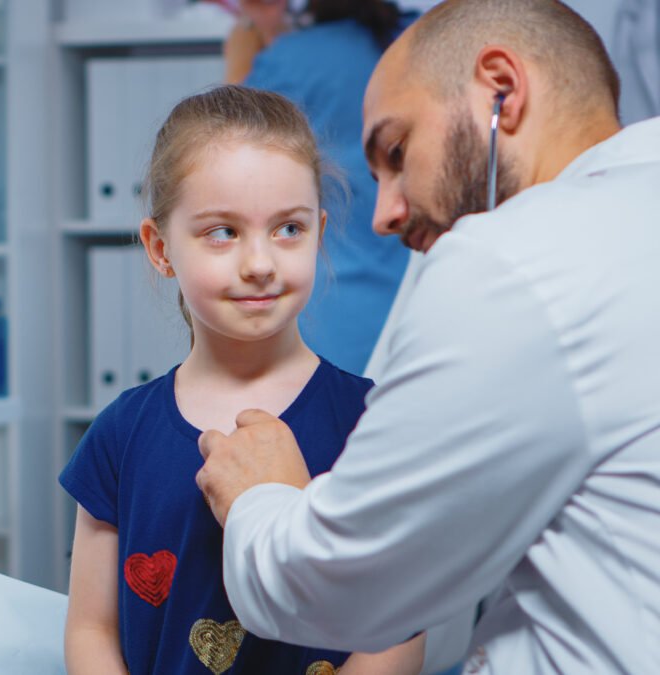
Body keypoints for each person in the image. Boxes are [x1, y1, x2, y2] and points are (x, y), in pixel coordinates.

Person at [195, 1, 660, 672]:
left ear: (502, 87)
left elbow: (339, 587)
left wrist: (261, 496)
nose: (384, 214)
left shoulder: (513, 257)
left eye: (397, 151)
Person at [60, 85, 423, 675]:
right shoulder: (120, 435)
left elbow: (396, 633)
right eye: (222, 232)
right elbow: (91, 628)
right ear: (160, 248)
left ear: (320, 231)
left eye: (288, 229)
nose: (260, 263)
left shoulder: (372, 424)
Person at [224, 0, 415, 375]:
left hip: (327, 314)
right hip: (413, 300)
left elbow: (223, 158)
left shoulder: (290, 59)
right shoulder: (416, 45)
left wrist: (243, 55)